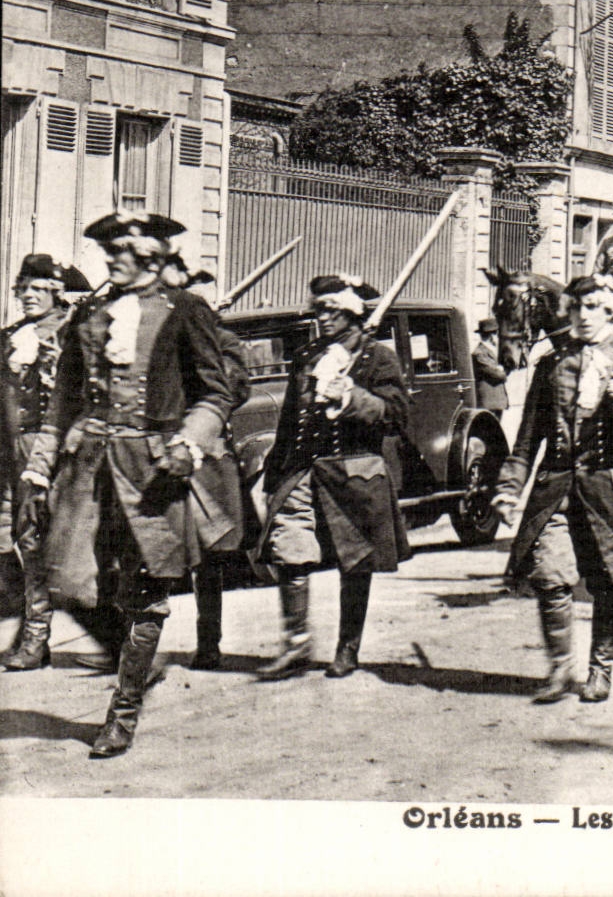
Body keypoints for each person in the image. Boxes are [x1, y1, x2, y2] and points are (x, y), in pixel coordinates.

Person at [21, 212, 237, 757]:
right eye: (109, 250)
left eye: (121, 250)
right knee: (62, 580)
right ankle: (136, 659)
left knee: (146, 595)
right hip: (88, 467)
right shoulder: (90, 313)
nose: (111, 258)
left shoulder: (186, 310)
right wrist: (40, 463)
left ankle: (122, 713)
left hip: (152, 469)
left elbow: (216, 392)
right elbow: (64, 399)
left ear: (151, 257)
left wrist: (190, 441)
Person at [493, 275, 613, 703]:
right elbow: (528, 438)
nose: (583, 316)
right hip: (556, 489)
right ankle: (559, 668)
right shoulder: (552, 366)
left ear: (612, 312)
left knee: (610, 582)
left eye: (593, 308)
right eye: (577, 308)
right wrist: (509, 488)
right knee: (549, 576)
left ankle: (600, 670)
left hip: (612, 492)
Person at [255, 274, 410, 681]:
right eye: (320, 310)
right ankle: (296, 645)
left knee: (354, 563)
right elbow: (291, 419)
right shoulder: (309, 357)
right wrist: (276, 474)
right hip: (304, 469)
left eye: (332, 311)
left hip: (354, 472)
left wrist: (351, 397)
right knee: (289, 549)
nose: (322, 317)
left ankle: (347, 647)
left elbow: (395, 416)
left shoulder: (378, 359)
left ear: (352, 314)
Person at [158, 251, 250, 671]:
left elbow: (231, 390)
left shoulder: (224, 341)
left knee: (208, 557)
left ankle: (208, 640)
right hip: (158, 451)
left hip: (204, 458)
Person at [0, 254, 88, 671]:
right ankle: (36, 640)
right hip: (19, 452)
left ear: (57, 294)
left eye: (39, 289)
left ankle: (119, 633)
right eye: (24, 289)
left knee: (74, 547)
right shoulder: (12, 338)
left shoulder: (74, 336)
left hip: (63, 451)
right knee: (30, 542)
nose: (28, 296)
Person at [473, 317, 509, 413]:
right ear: (492, 336)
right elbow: (498, 375)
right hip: (489, 403)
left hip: (496, 402)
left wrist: (500, 369)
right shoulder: (479, 353)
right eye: (496, 334)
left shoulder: (491, 351)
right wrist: (501, 370)